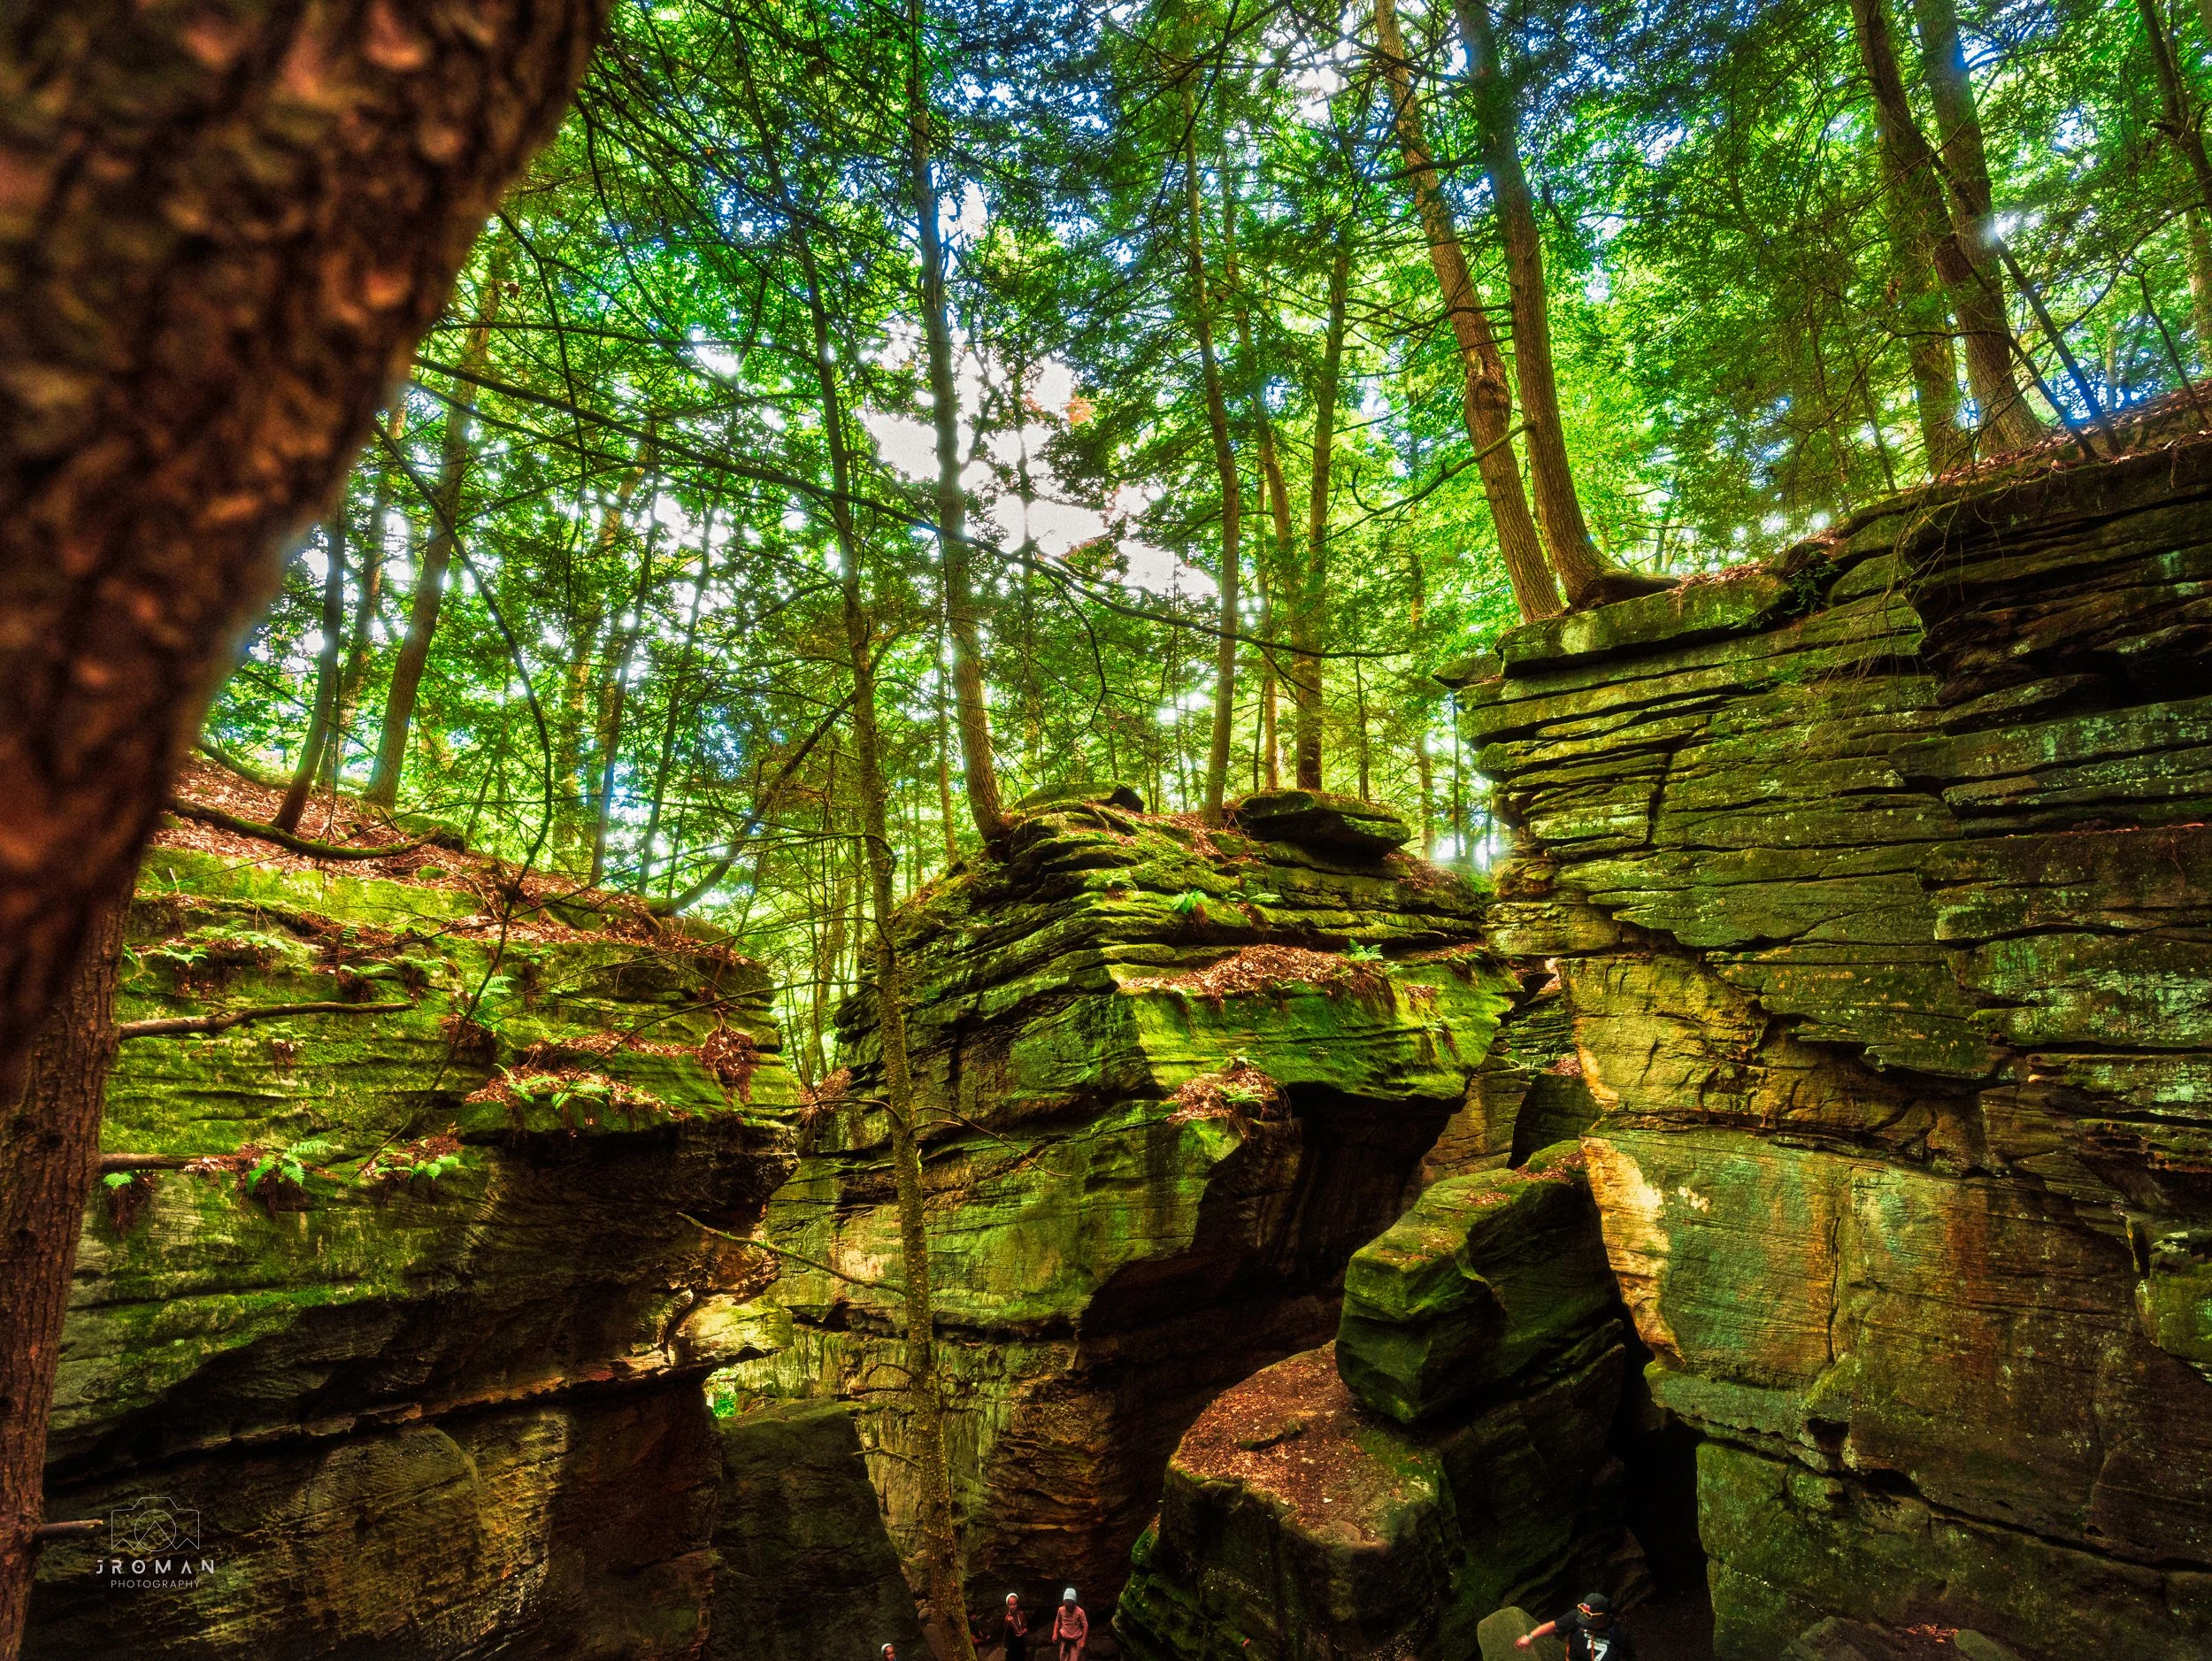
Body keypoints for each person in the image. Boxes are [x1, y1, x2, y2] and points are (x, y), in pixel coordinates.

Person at [1517, 1593, 1637, 1661]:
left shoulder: (1617, 1632)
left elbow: (1629, 1655)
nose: (1585, 1621)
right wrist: (1530, 1637)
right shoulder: (1575, 1618)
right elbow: (1553, 1626)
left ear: (1603, 1617)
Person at [1051, 1588, 1087, 1661]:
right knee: (1063, 1658)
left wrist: (1083, 1640)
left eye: (1070, 1601)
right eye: (1066, 1601)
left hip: (1076, 1641)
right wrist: (1055, 1633)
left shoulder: (1080, 1612)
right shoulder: (1061, 1610)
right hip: (1065, 1640)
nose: (1067, 1603)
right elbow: (1057, 1621)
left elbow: (1085, 1625)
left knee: (1075, 1659)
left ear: (1073, 1602)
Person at [1001, 1594, 1030, 1661]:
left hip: (1021, 1642)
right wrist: (1012, 1622)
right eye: (1010, 1605)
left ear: (1017, 1604)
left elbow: (1025, 1628)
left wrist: (1023, 1631)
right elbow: (1011, 1632)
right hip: (1012, 1644)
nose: (1013, 1606)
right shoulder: (1007, 1618)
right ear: (1007, 1605)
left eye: (1014, 1604)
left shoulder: (1021, 1614)